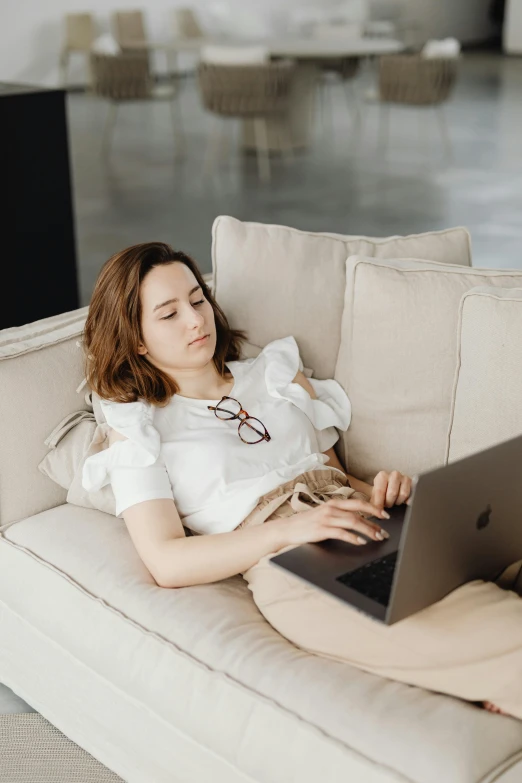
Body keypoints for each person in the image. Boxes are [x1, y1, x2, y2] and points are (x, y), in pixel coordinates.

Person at [81, 241, 522, 720]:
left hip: (371, 521)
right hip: (294, 563)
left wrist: (382, 492)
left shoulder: (274, 375)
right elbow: (166, 560)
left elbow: (333, 475)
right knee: (505, 636)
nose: (195, 319)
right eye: (168, 314)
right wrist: (293, 529)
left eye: (197, 299)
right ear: (138, 338)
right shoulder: (138, 427)